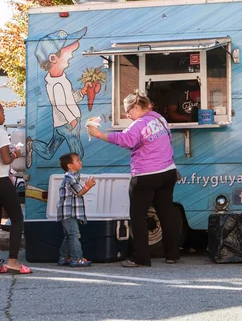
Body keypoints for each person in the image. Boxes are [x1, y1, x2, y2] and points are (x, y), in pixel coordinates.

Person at [86, 90, 180, 267]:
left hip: (145, 175)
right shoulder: (159, 118)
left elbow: (125, 140)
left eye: (129, 111)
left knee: (137, 216)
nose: (128, 115)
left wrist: (99, 134)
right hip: (168, 172)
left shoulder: (139, 124)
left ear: (137, 107)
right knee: (167, 213)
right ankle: (172, 254)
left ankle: (141, 257)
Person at [26, 27, 95, 168]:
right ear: (53, 58)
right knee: (77, 154)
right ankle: (74, 175)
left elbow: (68, 100)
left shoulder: (61, 79)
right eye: (69, 53)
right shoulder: (55, 84)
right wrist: (72, 119)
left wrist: (81, 92)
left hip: (61, 123)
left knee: (49, 151)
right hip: (67, 124)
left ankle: (32, 144)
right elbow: (60, 104)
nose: (71, 56)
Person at [0, 103, 31, 274]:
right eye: (3, 112)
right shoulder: (1, 133)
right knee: (17, 218)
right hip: (1, 180)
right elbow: (5, 160)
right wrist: (15, 154)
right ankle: (13, 261)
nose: (4, 116)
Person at [56, 152, 96, 267]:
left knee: (69, 235)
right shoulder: (70, 178)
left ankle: (64, 257)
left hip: (67, 212)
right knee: (74, 235)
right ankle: (77, 258)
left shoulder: (71, 177)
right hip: (69, 213)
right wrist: (88, 186)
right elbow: (79, 192)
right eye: (78, 160)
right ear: (70, 165)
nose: (80, 162)